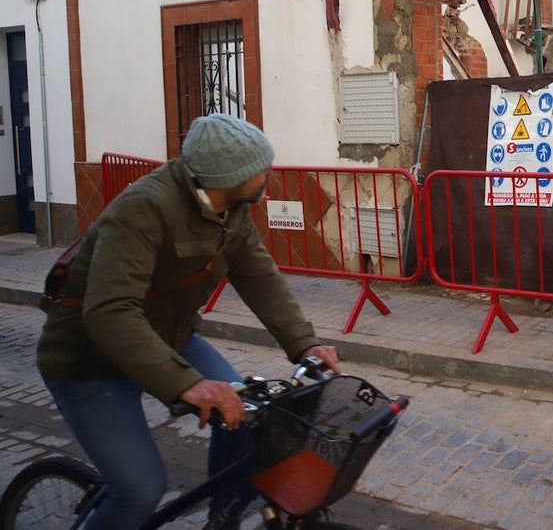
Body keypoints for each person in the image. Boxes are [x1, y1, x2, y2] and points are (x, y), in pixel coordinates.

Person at [37, 113, 340, 529]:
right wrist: (189, 383)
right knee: (139, 491)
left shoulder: (231, 208)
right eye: (259, 169)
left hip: (169, 339)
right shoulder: (144, 208)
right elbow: (110, 312)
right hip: (89, 360)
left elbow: (259, 277)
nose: (267, 174)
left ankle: (222, 519)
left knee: (247, 420)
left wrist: (304, 343)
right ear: (230, 175)